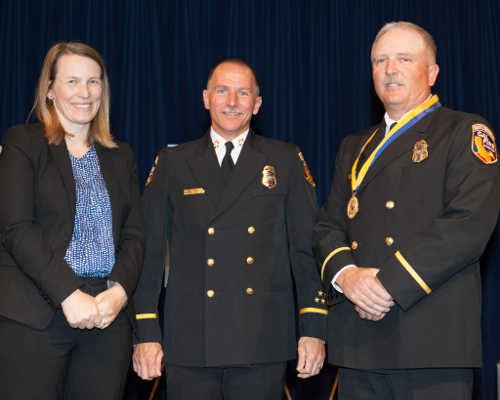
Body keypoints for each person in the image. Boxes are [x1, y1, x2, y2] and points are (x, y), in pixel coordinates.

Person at [314, 21, 500, 399]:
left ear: (431, 72)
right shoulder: (354, 146)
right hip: (358, 344)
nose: (389, 69)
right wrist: (347, 277)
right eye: (380, 60)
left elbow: (468, 225)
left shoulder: (464, 131)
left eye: (403, 58)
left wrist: (387, 284)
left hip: (431, 343)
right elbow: (327, 226)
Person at [132, 59, 326, 399]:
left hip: (261, 339)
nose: (232, 102)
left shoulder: (284, 160)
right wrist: (146, 331)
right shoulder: (173, 163)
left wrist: (314, 328)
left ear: (257, 104)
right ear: (206, 98)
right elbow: (149, 256)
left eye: (243, 93)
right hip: (190, 340)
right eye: (222, 91)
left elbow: (305, 252)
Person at [0, 42, 144, 400]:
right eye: (73, 81)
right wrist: (68, 294)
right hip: (37, 315)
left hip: (106, 319)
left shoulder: (120, 155)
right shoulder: (23, 142)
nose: (85, 93)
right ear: (50, 89)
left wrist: (120, 292)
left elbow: (136, 234)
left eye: (94, 82)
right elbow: (17, 228)